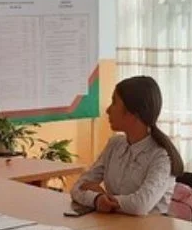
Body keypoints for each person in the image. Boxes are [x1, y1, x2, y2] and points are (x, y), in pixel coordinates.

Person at [70, 75, 185, 216]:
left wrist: (107, 200)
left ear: (133, 112)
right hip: (115, 227)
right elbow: (77, 187)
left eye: (114, 103)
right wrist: (97, 199)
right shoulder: (115, 144)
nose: (108, 110)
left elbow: (140, 205)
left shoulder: (161, 156)